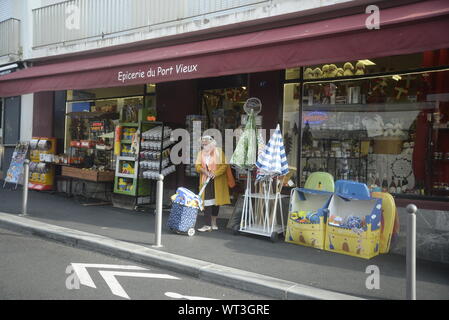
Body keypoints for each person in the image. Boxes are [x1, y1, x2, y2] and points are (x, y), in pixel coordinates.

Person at [195, 135, 231, 232]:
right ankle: (207, 224)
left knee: (216, 202)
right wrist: (204, 171)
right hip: (205, 180)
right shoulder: (201, 153)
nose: (204, 144)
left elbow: (224, 165)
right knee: (207, 202)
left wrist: (215, 173)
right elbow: (197, 166)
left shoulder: (219, 152)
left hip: (217, 180)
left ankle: (214, 222)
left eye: (206, 142)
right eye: (203, 143)